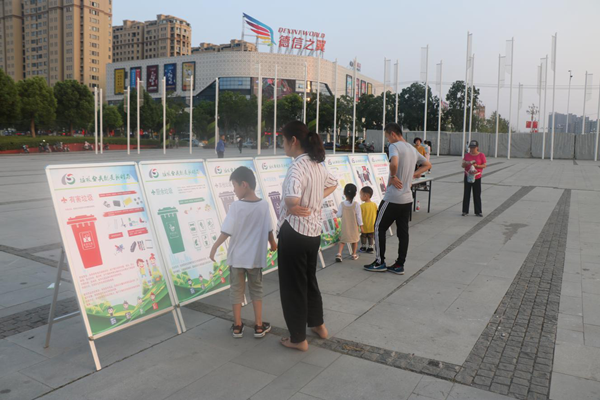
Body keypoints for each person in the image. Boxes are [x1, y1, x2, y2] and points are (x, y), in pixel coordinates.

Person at [277, 121, 338, 351]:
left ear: (293, 141)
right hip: (313, 233)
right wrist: (315, 198)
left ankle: (298, 339)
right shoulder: (317, 164)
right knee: (309, 280)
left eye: (283, 140)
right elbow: (334, 184)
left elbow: (291, 199)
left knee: (293, 286)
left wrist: (294, 206)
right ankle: (318, 325)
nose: (282, 145)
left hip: (294, 232)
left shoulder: (297, 167)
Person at [209, 166, 277, 338]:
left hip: (237, 258)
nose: (234, 190)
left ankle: (238, 326)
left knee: (236, 291)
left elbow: (227, 231)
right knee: (256, 290)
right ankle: (259, 326)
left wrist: (215, 246)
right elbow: (269, 229)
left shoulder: (236, 206)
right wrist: (273, 244)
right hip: (254, 259)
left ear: (244, 184)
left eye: (234, 185)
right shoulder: (263, 205)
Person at [364, 123, 431, 275]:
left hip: (393, 197)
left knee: (378, 227)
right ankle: (400, 264)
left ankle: (380, 262)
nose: (387, 140)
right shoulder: (412, 149)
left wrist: (393, 176)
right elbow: (427, 164)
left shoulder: (394, 146)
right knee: (403, 232)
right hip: (407, 199)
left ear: (393, 134)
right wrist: (414, 174)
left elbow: (394, 163)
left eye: (387, 137)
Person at [335, 183, 362, 262]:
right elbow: (359, 217)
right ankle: (354, 254)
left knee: (343, 240)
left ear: (344, 192)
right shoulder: (356, 205)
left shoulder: (342, 204)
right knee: (355, 240)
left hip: (345, 226)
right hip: (354, 226)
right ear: (355, 194)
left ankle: (339, 254)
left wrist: (336, 212)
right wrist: (361, 226)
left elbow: (339, 215)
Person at [462, 140, 487, 217]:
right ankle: (465, 211)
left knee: (477, 194)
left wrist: (477, 166)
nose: (472, 149)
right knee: (466, 193)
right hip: (468, 175)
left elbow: (484, 165)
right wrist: (467, 163)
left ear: (477, 148)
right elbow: (462, 165)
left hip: (477, 176)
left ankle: (478, 211)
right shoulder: (467, 155)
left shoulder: (481, 155)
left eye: (474, 148)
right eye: (471, 148)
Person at [359, 187, 377, 254]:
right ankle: (371, 247)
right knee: (371, 236)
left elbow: (359, 216)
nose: (360, 196)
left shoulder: (362, 206)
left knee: (363, 236)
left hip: (364, 225)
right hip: (372, 225)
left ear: (365, 196)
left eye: (361, 195)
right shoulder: (374, 204)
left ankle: (363, 247)